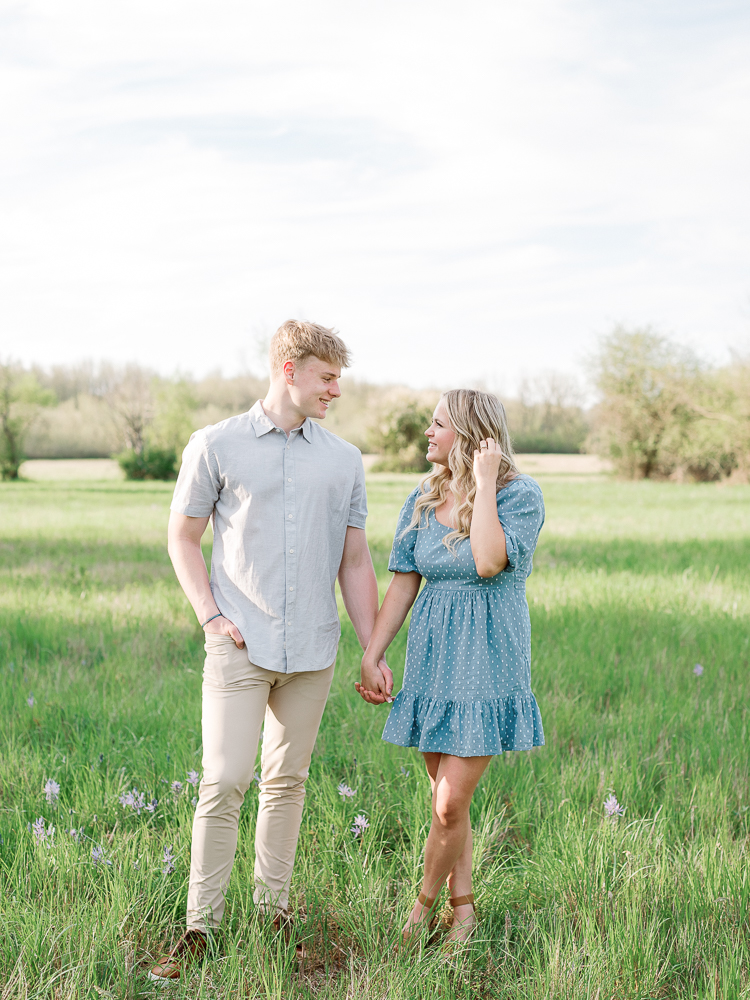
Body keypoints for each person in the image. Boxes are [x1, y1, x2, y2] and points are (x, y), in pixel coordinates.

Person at [149, 320, 389, 981]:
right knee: (224, 780)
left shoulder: (343, 460)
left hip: (313, 648)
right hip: (239, 645)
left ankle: (273, 913)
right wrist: (211, 616)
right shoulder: (216, 445)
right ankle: (202, 927)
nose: (336, 390)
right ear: (290, 370)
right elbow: (183, 537)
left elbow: (356, 559)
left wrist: (372, 647)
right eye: (327, 377)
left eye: (339, 378)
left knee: (288, 782)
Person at [356, 388, 545, 946]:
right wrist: (373, 652)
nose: (427, 434)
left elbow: (488, 562)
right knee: (446, 797)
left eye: (438, 425)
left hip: (487, 660)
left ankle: (421, 909)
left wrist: (483, 484)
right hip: (435, 658)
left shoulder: (519, 495)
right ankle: (463, 912)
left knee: (448, 802)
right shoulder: (422, 496)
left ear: (470, 434)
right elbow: (404, 581)